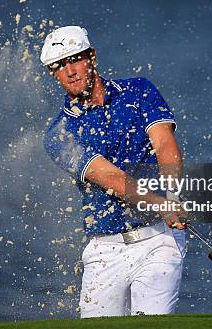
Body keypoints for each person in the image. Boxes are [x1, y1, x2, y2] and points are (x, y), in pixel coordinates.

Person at [41, 26, 187, 317]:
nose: (69, 71)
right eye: (59, 66)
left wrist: (173, 194)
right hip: (104, 252)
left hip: (160, 238)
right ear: (53, 74)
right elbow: (110, 178)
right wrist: (162, 204)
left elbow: (165, 143)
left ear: (92, 57)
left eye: (75, 59)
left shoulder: (139, 91)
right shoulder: (59, 135)